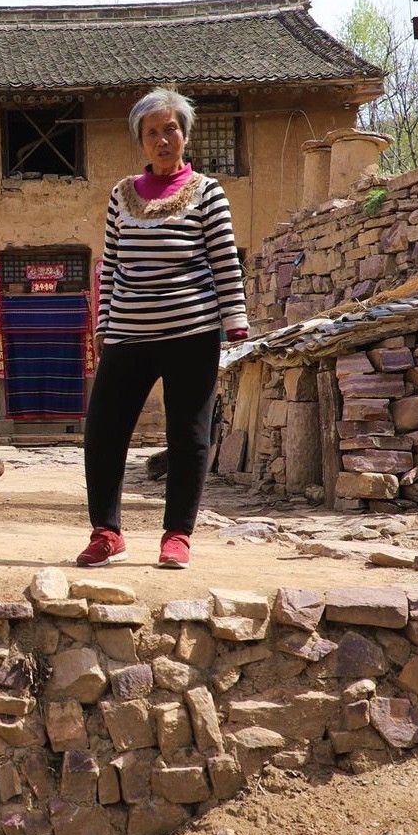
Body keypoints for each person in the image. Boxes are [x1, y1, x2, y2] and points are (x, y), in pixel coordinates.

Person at [77, 87, 249, 570]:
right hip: (128, 333)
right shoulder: (120, 195)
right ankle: (106, 532)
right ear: (141, 141)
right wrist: (103, 326)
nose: (162, 138)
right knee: (104, 432)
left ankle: (177, 535)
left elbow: (223, 261)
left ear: (185, 135)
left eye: (170, 128)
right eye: (152, 132)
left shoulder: (208, 192)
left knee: (188, 435)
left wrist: (234, 319)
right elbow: (109, 266)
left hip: (190, 331)